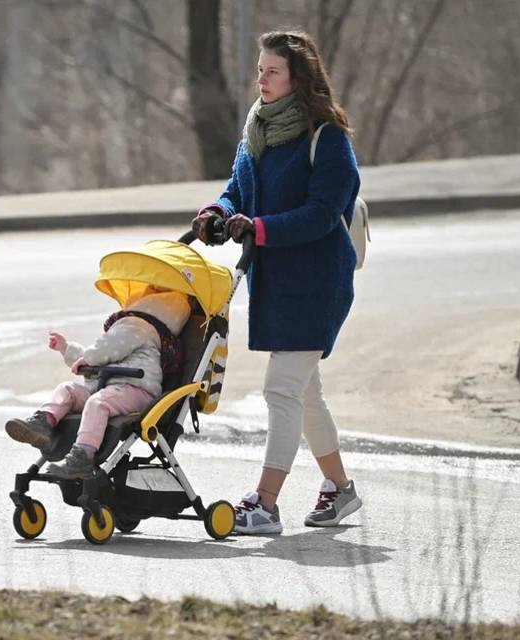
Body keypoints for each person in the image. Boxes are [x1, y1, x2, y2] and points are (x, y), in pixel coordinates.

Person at [191, 30, 362, 535]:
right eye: (260, 69)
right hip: (275, 281)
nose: (260, 79)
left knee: (281, 389)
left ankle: (264, 503)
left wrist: (258, 228)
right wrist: (218, 211)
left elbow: (323, 214)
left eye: (273, 71)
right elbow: (237, 188)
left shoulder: (326, 138)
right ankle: (340, 490)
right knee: (305, 393)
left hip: (316, 282)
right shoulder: (257, 130)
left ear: (298, 79)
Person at [5, 289, 191, 479]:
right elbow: (97, 356)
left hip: (135, 390)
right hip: (110, 388)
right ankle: (43, 423)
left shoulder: (138, 326)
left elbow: (103, 352)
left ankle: (82, 457)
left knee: (98, 403)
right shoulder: (130, 329)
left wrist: (88, 358)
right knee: (67, 389)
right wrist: (67, 349)